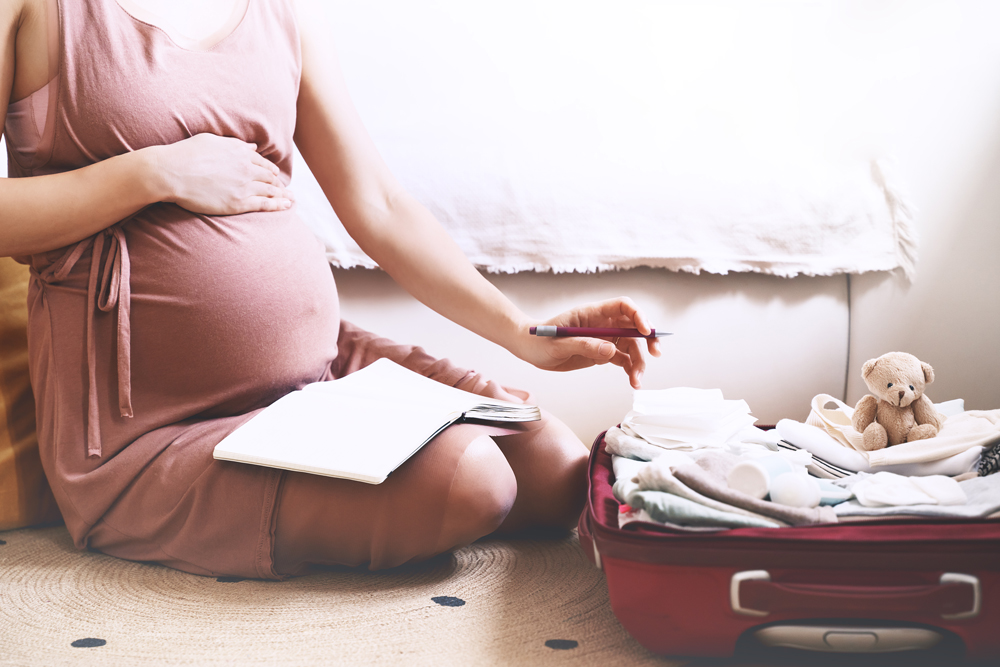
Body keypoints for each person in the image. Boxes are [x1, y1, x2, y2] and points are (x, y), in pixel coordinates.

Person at [0, 0, 660, 578]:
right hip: (148, 431)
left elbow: (377, 203)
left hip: (319, 377)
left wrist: (525, 335)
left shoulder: (283, 9)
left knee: (559, 471)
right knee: (476, 480)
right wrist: (150, 174)